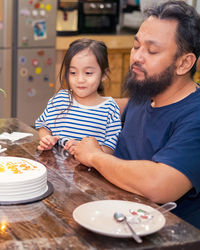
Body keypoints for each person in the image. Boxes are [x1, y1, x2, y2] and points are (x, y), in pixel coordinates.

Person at [73, 0, 200, 229]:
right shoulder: (147, 92)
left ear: (184, 63)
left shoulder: (195, 115)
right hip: (118, 217)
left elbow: (159, 185)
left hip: (168, 237)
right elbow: (112, 107)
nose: (137, 57)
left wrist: (94, 156)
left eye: (152, 51)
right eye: (136, 45)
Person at [35, 38, 121, 155]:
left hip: (87, 172)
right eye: (73, 73)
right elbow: (44, 126)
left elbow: (110, 149)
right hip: (56, 170)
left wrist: (85, 151)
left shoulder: (109, 108)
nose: (80, 80)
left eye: (88, 73)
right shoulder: (60, 99)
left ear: (104, 75)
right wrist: (46, 139)